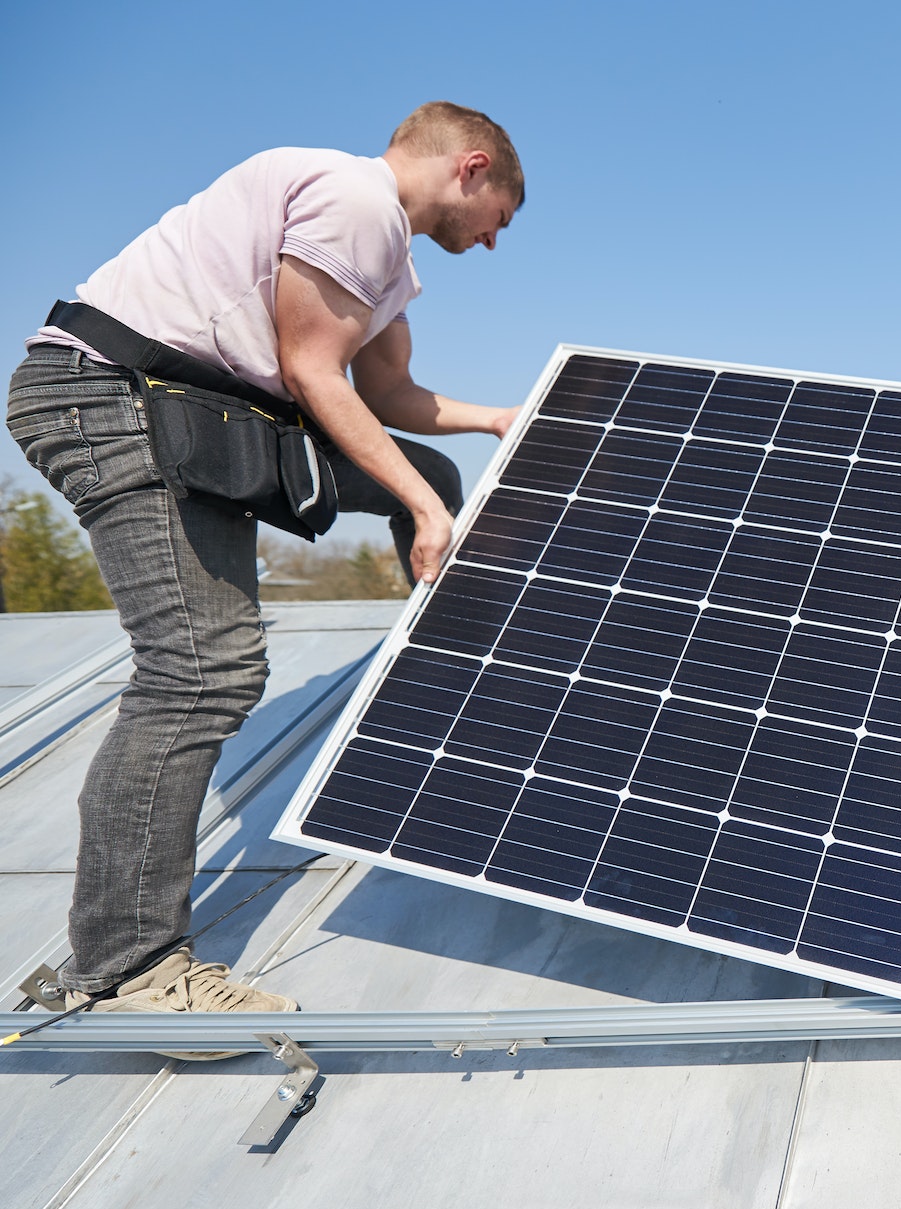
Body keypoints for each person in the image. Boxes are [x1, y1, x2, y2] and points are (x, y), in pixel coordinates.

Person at [4, 101, 526, 1036]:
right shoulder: (353, 198)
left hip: (202, 422)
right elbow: (314, 373)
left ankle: (462, 693)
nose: (492, 244)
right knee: (199, 669)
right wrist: (422, 508)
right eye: (502, 220)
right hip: (111, 398)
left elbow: (391, 395)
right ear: (472, 169)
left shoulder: (391, 264)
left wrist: (494, 422)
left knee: (434, 472)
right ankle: (128, 964)